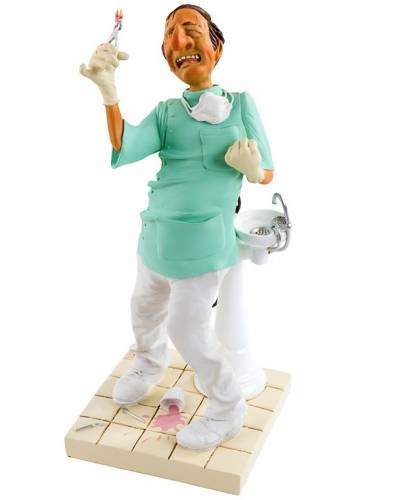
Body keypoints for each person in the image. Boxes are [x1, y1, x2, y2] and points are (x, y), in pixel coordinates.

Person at [80, 4, 274, 450]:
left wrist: (254, 170)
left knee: (188, 330)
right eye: (170, 35)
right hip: (155, 239)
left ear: (216, 47)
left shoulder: (242, 104)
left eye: (191, 29)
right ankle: (149, 363)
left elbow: (267, 170)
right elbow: (126, 146)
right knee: (143, 311)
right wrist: (109, 92)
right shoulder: (168, 112)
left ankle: (227, 409)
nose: (181, 41)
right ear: (167, 57)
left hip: (203, 248)